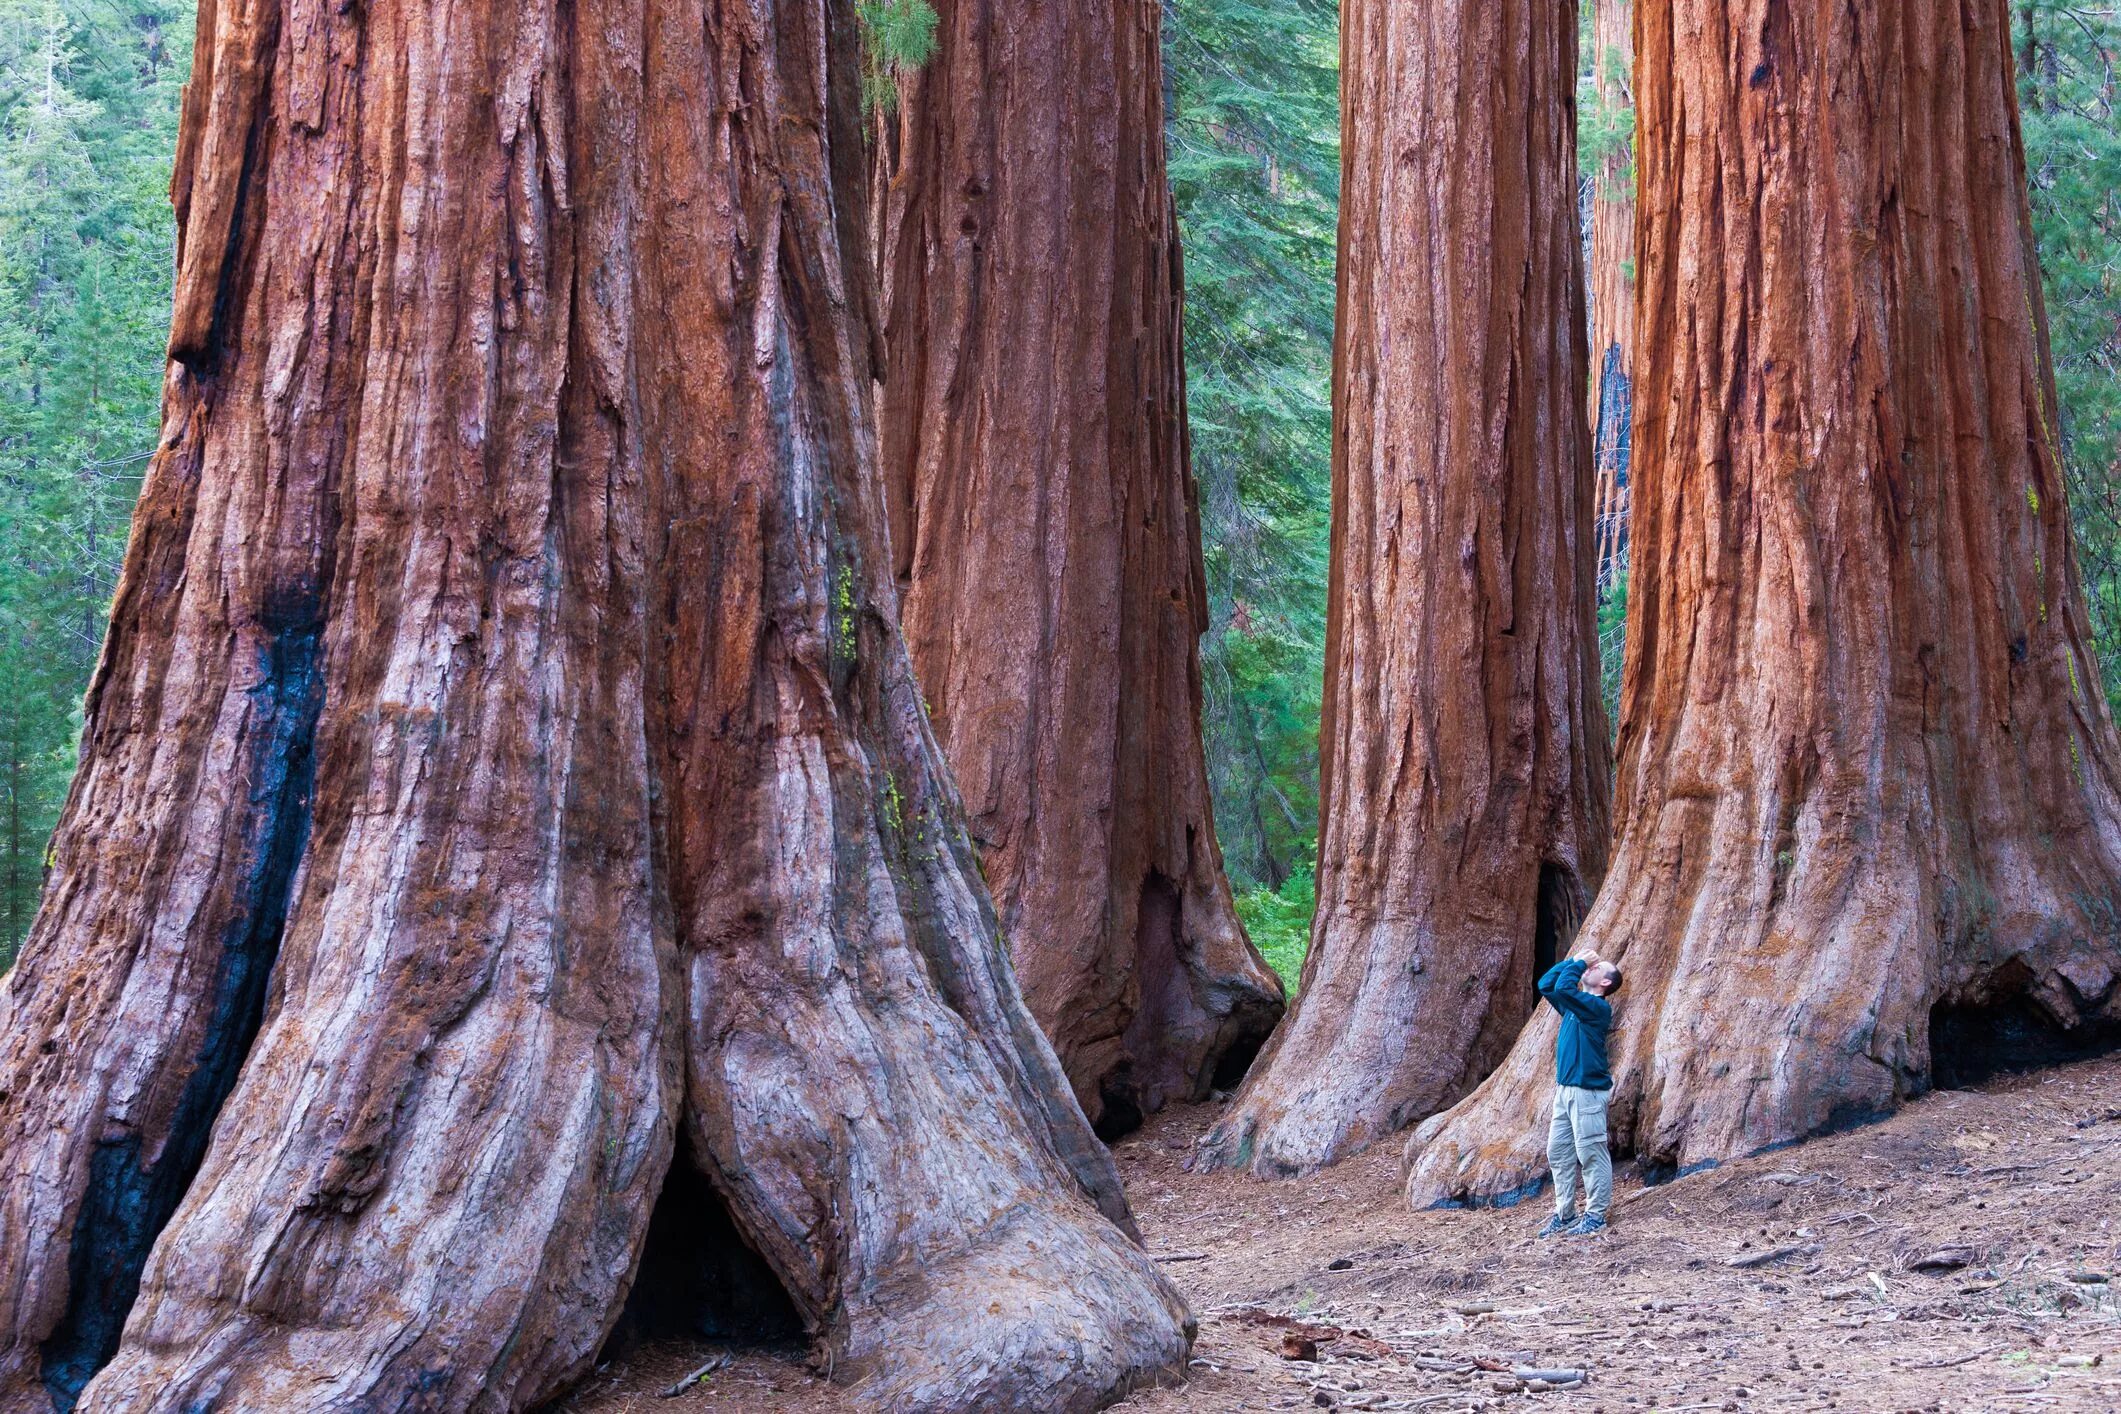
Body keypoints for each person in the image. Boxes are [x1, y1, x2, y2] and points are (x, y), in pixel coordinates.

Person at [1534, 949, 1622, 1237]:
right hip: (1565, 1091)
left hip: (1588, 1093)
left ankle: (1595, 1216)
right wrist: (1572, 962)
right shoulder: (1574, 1007)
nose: (1591, 968)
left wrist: (1580, 964)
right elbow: (1547, 985)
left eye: (1598, 967)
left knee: (1591, 1153)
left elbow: (1562, 987)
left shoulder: (1596, 1008)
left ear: (1605, 983)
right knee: (1558, 1152)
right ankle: (1565, 1215)